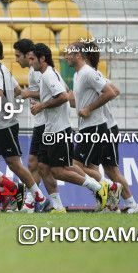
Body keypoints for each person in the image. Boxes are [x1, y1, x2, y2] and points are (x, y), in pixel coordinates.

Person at [29, 43, 112, 211]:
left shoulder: (48, 76)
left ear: (42, 58)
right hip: (50, 129)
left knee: (59, 171)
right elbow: (66, 92)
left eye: (32, 59)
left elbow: (62, 97)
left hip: (60, 129)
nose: (31, 63)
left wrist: (41, 106)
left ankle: (99, 187)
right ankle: (58, 208)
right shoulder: (52, 74)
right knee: (43, 167)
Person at [0, 37, 50, 211]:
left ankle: (37, 195)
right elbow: (18, 91)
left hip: (5, 125)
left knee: (14, 164)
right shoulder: (3, 70)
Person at [80, 42, 138, 213]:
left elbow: (115, 90)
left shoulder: (93, 75)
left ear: (86, 56)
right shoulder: (85, 75)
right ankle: (110, 205)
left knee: (111, 169)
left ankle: (131, 203)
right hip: (99, 127)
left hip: (107, 127)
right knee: (93, 167)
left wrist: (91, 105)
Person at [14, 38, 61, 212]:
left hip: (46, 122)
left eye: (19, 56)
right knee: (36, 164)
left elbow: (53, 93)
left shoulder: (40, 72)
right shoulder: (34, 71)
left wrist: (28, 93)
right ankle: (33, 201)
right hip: (41, 121)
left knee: (56, 168)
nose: (17, 60)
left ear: (29, 55)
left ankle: (101, 186)